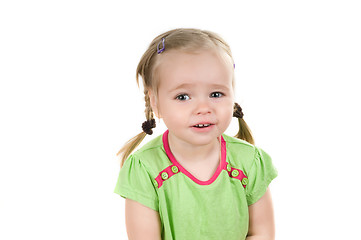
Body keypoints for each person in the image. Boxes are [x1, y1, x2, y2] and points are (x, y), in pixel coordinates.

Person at [114, 28, 278, 240]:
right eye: (183, 97)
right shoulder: (144, 169)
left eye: (216, 94)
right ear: (155, 102)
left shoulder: (250, 162)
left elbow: (262, 233)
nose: (204, 107)